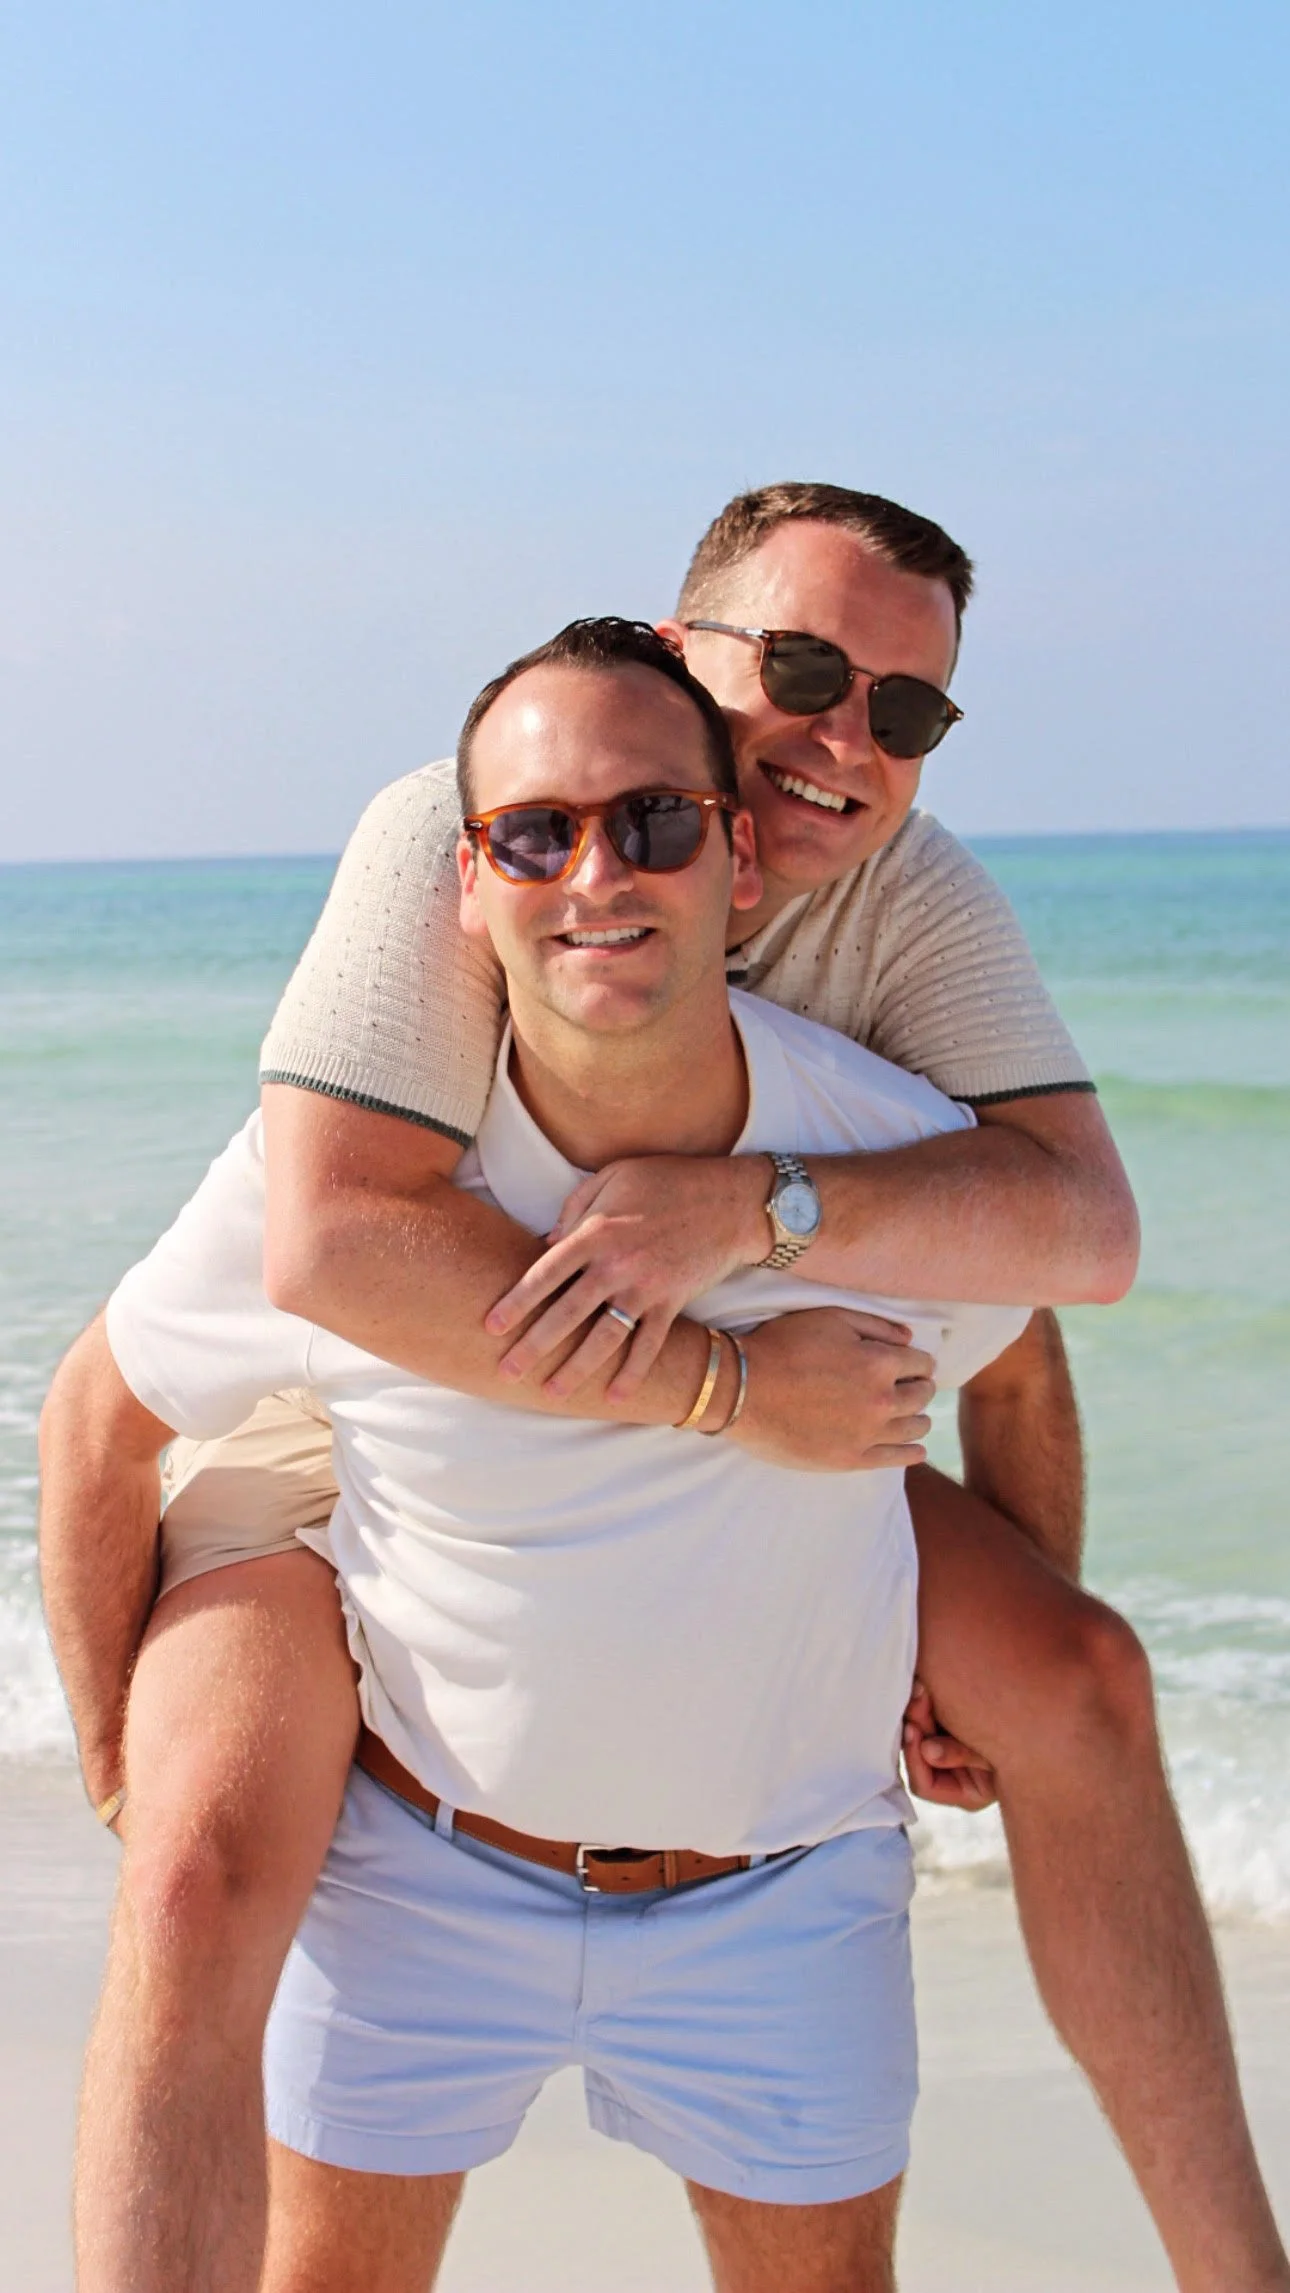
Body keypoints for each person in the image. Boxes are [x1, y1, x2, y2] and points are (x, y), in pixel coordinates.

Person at [39, 487, 1287, 2290]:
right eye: (795, 669)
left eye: (906, 712)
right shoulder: (456, 832)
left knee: (1078, 1677)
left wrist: (765, 1214)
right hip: (371, 1367)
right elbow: (325, 1246)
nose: (842, 738)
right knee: (194, 1856)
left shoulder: (903, 913)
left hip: (747, 1324)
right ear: (679, 657)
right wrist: (723, 1389)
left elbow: (1055, 1262)